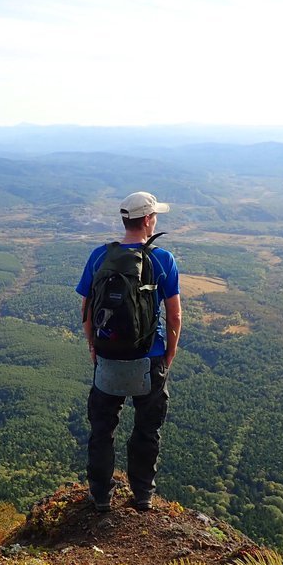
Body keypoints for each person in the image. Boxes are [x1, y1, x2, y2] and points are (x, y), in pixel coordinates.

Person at [75, 191, 182, 512]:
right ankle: (142, 495)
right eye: (155, 216)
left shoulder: (99, 256)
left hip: (108, 357)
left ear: (125, 219)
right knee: (146, 430)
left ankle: (100, 496)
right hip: (149, 359)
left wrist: (93, 346)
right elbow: (175, 315)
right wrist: (170, 353)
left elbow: (87, 307)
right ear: (148, 220)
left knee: (102, 431)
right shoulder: (162, 259)